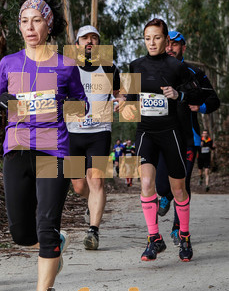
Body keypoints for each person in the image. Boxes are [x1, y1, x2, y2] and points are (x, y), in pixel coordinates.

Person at [0, 0, 88, 291]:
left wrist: (57, 107)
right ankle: (54, 245)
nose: (30, 27)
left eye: (37, 20)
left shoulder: (66, 64)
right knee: (19, 232)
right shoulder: (9, 63)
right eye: (24, 21)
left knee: (45, 224)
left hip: (54, 150)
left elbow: (81, 107)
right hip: (16, 149)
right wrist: (0, 105)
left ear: (49, 24)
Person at [119, 18, 202, 262]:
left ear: (166, 40)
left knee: (178, 189)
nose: (151, 42)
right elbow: (130, 97)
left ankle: (184, 236)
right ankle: (154, 238)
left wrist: (179, 94)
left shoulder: (176, 66)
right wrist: (123, 102)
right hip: (145, 132)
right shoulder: (135, 65)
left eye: (156, 37)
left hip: (172, 133)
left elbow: (197, 91)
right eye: (147, 38)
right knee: (146, 183)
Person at [155, 30, 220, 242]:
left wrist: (199, 107)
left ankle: (178, 228)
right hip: (162, 136)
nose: (170, 48)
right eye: (167, 44)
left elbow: (214, 100)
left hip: (187, 139)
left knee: (182, 184)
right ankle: (164, 196)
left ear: (183, 47)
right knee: (163, 186)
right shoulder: (152, 70)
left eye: (175, 44)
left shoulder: (194, 73)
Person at [66, 25, 120, 250]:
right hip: (72, 133)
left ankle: (93, 231)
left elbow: (121, 92)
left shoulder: (109, 67)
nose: (90, 41)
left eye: (94, 38)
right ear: (77, 43)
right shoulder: (67, 67)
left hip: (100, 132)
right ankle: (91, 202)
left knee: (96, 180)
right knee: (79, 187)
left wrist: (121, 101)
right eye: (85, 38)